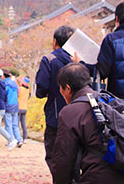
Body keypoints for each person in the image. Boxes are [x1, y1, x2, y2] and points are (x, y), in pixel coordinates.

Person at [50, 62, 124, 184]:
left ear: (68, 88)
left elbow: (63, 160)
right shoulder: (112, 101)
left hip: (102, 178)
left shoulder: (70, 112)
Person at [35, 25, 75, 169]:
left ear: (55, 41)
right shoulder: (80, 60)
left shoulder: (50, 59)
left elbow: (41, 88)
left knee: (54, 156)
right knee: (75, 156)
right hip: (81, 117)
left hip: (56, 115)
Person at [3, 69, 22, 147]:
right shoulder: (14, 83)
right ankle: (19, 140)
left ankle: (10, 140)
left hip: (8, 105)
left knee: (8, 124)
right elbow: (18, 92)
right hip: (15, 105)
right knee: (15, 124)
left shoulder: (5, 84)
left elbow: (4, 95)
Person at [18, 76, 31, 143]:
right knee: (23, 124)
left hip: (19, 107)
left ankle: (18, 138)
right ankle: (25, 138)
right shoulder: (27, 90)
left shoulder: (20, 89)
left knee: (16, 124)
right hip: (25, 108)